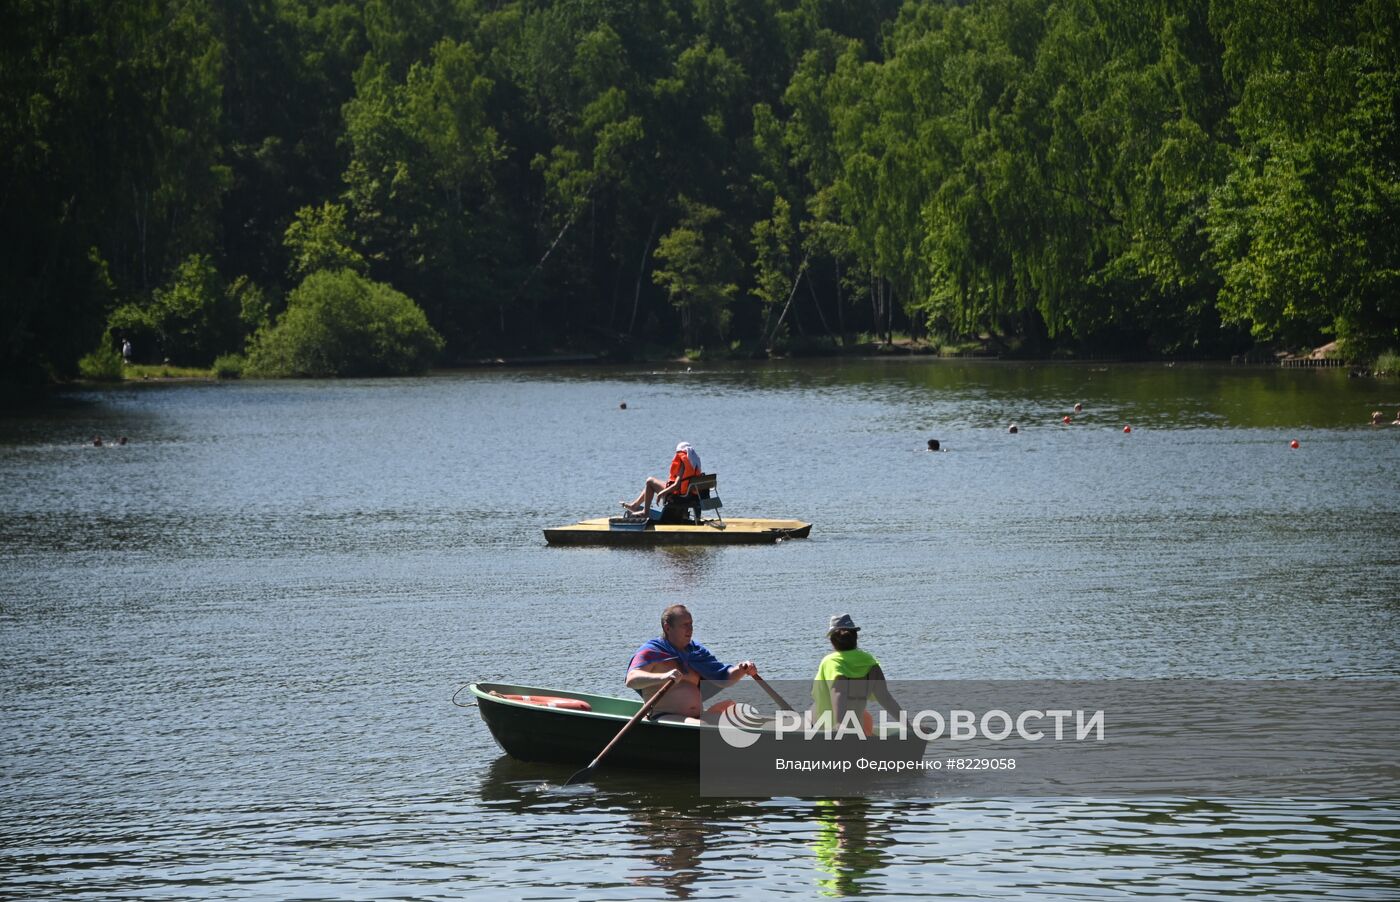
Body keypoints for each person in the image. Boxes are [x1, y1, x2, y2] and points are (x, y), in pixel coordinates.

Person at [625, 604, 757, 719]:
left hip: (698, 716)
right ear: (667, 628)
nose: (690, 629)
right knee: (715, 727)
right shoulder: (652, 651)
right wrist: (664, 676)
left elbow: (724, 676)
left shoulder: (696, 651)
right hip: (664, 717)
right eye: (684, 625)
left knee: (734, 710)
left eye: (691, 624)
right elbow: (631, 679)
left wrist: (741, 670)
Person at [810, 614, 901, 735]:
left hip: (828, 729)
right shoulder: (870, 662)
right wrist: (908, 725)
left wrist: (839, 726)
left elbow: (839, 693)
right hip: (855, 725)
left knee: (810, 713)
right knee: (866, 717)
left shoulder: (831, 662)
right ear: (856, 637)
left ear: (832, 640)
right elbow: (886, 698)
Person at [621, 442, 702, 517]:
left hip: (678, 496)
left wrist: (661, 493)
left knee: (650, 481)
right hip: (690, 494)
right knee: (652, 484)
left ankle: (645, 512)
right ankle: (635, 505)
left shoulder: (683, 464)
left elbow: (676, 485)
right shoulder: (694, 463)